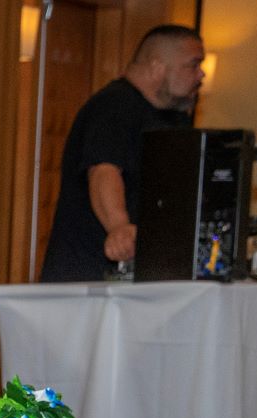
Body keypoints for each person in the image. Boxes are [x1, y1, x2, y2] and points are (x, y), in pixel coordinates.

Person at [40, 24, 203, 283]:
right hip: (87, 277)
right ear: (157, 66)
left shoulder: (173, 119)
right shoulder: (114, 107)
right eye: (193, 65)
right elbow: (104, 170)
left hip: (135, 276)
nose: (201, 74)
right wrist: (119, 227)